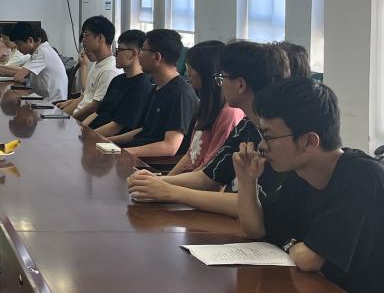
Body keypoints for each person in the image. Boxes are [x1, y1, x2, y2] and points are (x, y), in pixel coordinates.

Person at [235, 77, 384, 293]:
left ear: (309, 142)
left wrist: (292, 244)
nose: (261, 146)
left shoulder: (362, 176)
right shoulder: (300, 173)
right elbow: (256, 228)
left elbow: (309, 259)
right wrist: (246, 181)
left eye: (269, 137)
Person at [128, 41, 290, 217]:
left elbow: (255, 205)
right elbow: (208, 177)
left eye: (222, 78)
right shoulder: (247, 125)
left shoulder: (277, 137)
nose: (220, 84)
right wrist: (156, 181)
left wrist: (170, 191)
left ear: (240, 85)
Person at [108, 29, 197, 158]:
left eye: (143, 50)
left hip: (153, 164)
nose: (139, 55)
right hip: (137, 154)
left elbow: (170, 147)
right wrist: (108, 141)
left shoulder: (180, 94)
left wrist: (124, 153)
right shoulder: (156, 88)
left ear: (157, 57)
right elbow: (145, 131)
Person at [166, 41, 243, 176]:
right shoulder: (206, 106)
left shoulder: (229, 113)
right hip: (187, 179)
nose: (188, 72)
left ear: (207, 71)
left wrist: (164, 183)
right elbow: (189, 155)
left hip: (200, 183)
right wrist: (164, 179)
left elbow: (209, 169)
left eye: (192, 67)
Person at [82, 29, 151, 138]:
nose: (115, 54)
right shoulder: (117, 80)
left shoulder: (141, 87)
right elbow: (97, 113)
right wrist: (81, 129)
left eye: (119, 50)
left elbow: (116, 127)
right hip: (92, 133)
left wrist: (87, 136)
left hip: (106, 140)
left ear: (133, 53)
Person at [0, 22, 68, 102]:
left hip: (52, 103)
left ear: (30, 40)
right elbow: (21, 72)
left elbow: (18, 76)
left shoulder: (42, 52)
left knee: (10, 100)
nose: (18, 48)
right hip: (42, 98)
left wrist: (0, 70)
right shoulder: (40, 51)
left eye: (19, 44)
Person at [59, 16, 121, 121]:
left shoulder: (109, 70)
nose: (83, 40)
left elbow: (94, 107)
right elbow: (85, 96)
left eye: (86, 35)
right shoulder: (98, 64)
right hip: (76, 119)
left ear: (100, 38)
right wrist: (61, 115)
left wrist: (69, 120)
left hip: (85, 124)